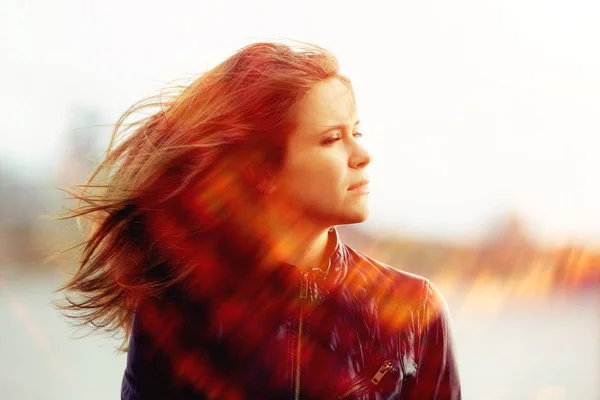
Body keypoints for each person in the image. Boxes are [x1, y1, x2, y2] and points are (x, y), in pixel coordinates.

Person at [56, 41, 461, 399]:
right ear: (261, 171)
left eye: (357, 131)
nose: (362, 154)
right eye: (332, 138)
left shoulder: (416, 312)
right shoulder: (176, 312)